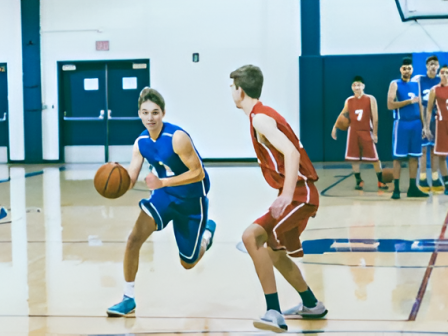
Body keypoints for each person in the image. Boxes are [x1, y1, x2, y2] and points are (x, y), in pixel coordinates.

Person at [230, 65, 327, 333]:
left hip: (300, 193)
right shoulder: (261, 115)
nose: (231, 92)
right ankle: (311, 304)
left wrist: (285, 195)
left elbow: (292, 154)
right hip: (298, 193)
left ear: (240, 90)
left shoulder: (260, 118)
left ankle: (273, 312)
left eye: (231, 87)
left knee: (252, 237)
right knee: (273, 252)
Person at [107, 88, 216, 317]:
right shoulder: (141, 142)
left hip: (191, 199)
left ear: (163, 113)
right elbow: (131, 178)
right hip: (163, 197)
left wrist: (164, 183)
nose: (150, 118)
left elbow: (198, 173)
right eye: (145, 113)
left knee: (188, 262)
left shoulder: (177, 138)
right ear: (139, 114)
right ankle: (128, 298)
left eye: (155, 112)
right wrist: (114, 178)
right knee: (134, 239)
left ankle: (207, 233)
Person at [331, 76, 388, 191]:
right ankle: (359, 181)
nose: (356, 87)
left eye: (359, 85)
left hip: (366, 130)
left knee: (375, 159)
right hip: (353, 132)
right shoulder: (349, 100)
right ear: (352, 87)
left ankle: (380, 181)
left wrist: (375, 134)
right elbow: (343, 114)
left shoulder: (370, 98)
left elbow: (375, 118)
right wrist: (334, 127)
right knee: (354, 158)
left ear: (363, 86)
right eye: (354, 85)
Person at [387, 57, 429, 199]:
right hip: (402, 124)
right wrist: (408, 101)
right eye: (404, 68)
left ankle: (412, 188)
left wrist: (424, 126)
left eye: (409, 68)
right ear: (401, 69)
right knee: (398, 158)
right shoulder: (395, 84)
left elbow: (419, 106)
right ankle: (396, 190)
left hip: (416, 124)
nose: (406, 70)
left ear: (412, 70)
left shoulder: (415, 84)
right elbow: (390, 104)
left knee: (414, 158)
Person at [412, 55, 442, 192]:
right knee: (423, 150)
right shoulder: (419, 80)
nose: (433, 66)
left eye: (435, 64)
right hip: (423, 116)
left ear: (438, 66)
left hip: (437, 118)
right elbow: (419, 103)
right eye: (430, 64)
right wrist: (424, 125)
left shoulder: (441, 81)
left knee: (435, 150)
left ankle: (435, 178)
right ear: (426, 66)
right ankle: (423, 178)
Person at [425, 64, 448, 195]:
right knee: (441, 155)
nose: (444, 75)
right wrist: (427, 127)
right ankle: (446, 182)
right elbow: (428, 109)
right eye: (443, 72)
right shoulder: (434, 90)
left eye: (447, 73)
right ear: (439, 74)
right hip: (441, 124)